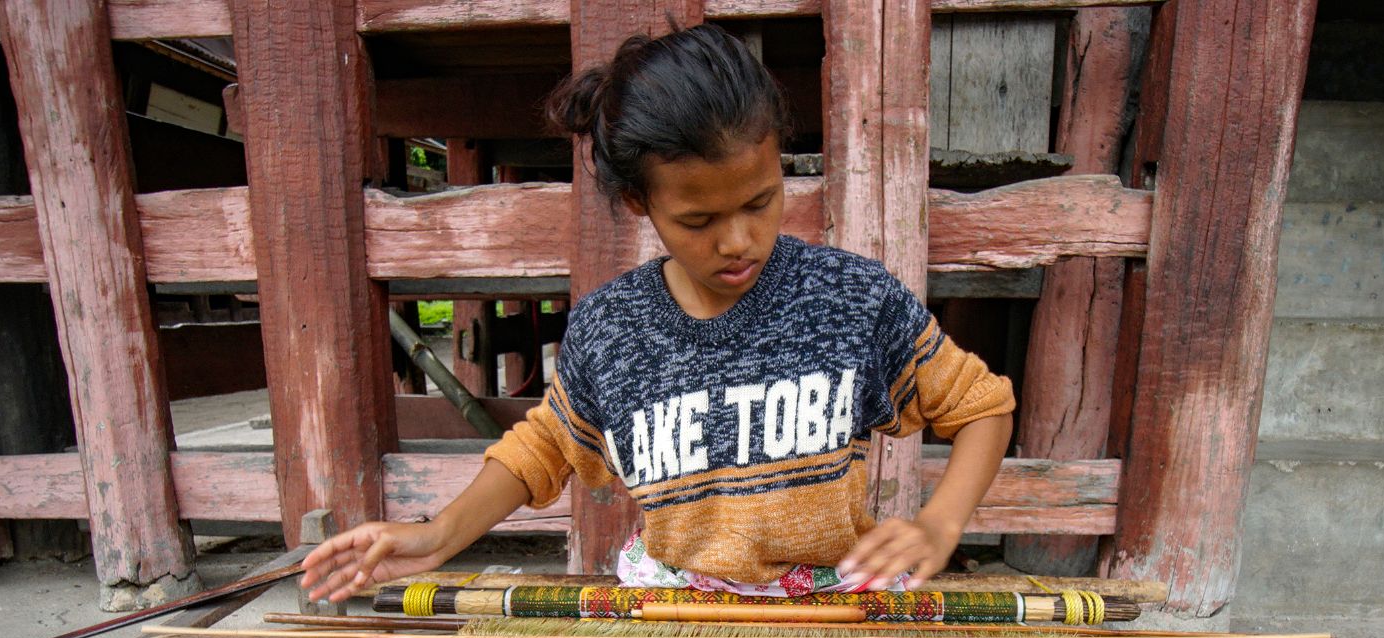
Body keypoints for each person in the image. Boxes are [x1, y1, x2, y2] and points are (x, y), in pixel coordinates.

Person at [303, 24, 1014, 604]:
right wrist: (439, 533)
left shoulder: (847, 299)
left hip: (830, 606)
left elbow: (981, 406)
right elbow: (547, 445)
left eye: (761, 203)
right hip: (671, 609)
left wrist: (939, 523)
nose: (738, 241)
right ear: (641, 203)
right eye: (700, 218)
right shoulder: (612, 328)